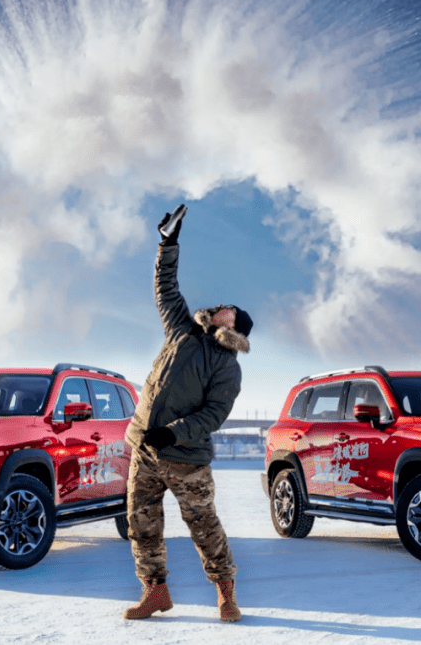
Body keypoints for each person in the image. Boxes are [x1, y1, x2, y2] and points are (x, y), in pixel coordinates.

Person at [122, 208, 253, 623]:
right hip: (144, 446)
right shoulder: (182, 330)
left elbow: (213, 414)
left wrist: (172, 434)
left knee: (203, 526)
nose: (221, 308)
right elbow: (165, 287)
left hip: (186, 458)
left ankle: (226, 594)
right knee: (141, 524)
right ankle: (155, 591)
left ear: (237, 328)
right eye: (221, 306)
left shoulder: (227, 365)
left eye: (230, 310)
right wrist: (167, 243)